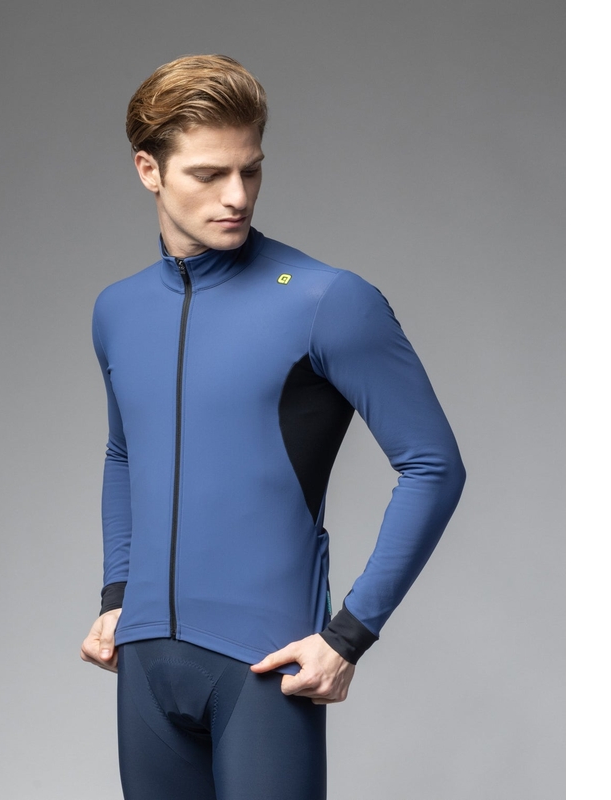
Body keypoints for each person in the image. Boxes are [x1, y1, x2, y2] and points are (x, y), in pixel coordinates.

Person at [81, 54, 466, 800]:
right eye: (209, 174)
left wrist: (349, 635)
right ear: (148, 170)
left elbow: (433, 465)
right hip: (146, 666)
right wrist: (116, 595)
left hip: (263, 665)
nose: (237, 196)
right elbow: (124, 452)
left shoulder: (327, 300)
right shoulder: (117, 310)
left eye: (250, 171)